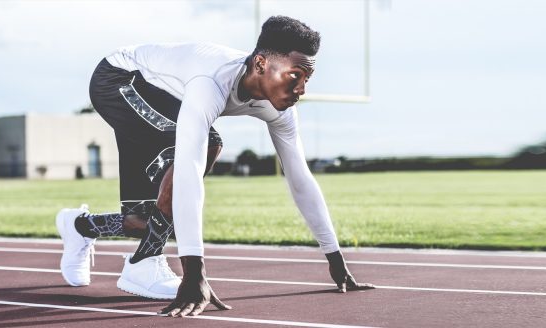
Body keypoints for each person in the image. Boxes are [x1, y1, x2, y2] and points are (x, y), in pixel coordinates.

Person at [55, 15, 374, 317]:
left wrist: (335, 260)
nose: (301, 89)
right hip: (118, 79)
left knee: (142, 220)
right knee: (206, 146)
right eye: (294, 76)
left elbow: (300, 179)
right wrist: (194, 273)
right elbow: (190, 169)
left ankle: (80, 227)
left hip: (161, 94)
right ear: (260, 64)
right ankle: (144, 261)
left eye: (307, 78)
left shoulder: (280, 110)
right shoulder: (210, 83)